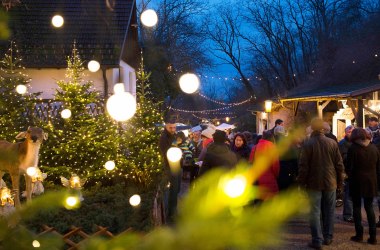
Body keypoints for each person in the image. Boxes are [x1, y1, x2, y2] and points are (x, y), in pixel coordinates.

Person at [297, 118, 344, 249]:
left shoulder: (308, 144)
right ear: (323, 129)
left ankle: (317, 239)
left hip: (313, 183)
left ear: (312, 128)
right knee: (329, 211)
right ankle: (328, 237)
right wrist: (340, 182)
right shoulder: (332, 143)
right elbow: (339, 165)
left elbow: (303, 166)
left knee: (315, 212)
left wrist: (301, 183)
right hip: (331, 182)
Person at [346, 128, 380, 245]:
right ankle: (373, 237)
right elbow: (378, 167)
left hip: (357, 181)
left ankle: (359, 235)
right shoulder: (373, 148)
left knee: (356, 207)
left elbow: (349, 167)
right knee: (369, 207)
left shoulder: (353, 149)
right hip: (371, 181)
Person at [158, 119, 180, 224]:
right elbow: (165, 153)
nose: (173, 129)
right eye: (170, 127)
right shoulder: (164, 138)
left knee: (176, 189)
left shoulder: (173, 136)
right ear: (166, 127)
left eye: (174, 127)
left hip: (177, 165)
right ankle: (171, 214)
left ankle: (173, 210)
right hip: (170, 167)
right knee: (173, 190)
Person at [249, 130, 280, 201]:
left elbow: (251, 162)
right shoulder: (273, 147)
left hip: (258, 179)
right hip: (270, 179)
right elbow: (276, 166)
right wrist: (276, 176)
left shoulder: (255, 147)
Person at [338, 125, 354, 223]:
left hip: (355, 172)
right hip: (347, 172)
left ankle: (352, 214)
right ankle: (348, 215)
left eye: (352, 132)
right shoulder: (341, 144)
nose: (351, 134)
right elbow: (339, 159)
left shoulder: (356, 143)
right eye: (349, 132)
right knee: (348, 195)